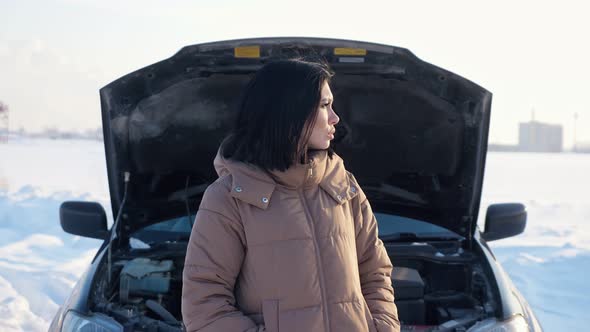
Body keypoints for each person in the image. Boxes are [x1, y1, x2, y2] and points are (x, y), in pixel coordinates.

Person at [181, 58, 400, 332]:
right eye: (324, 105)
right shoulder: (228, 199)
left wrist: (382, 327)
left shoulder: (343, 186)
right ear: (289, 112)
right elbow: (204, 308)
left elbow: (375, 273)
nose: (335, 117)